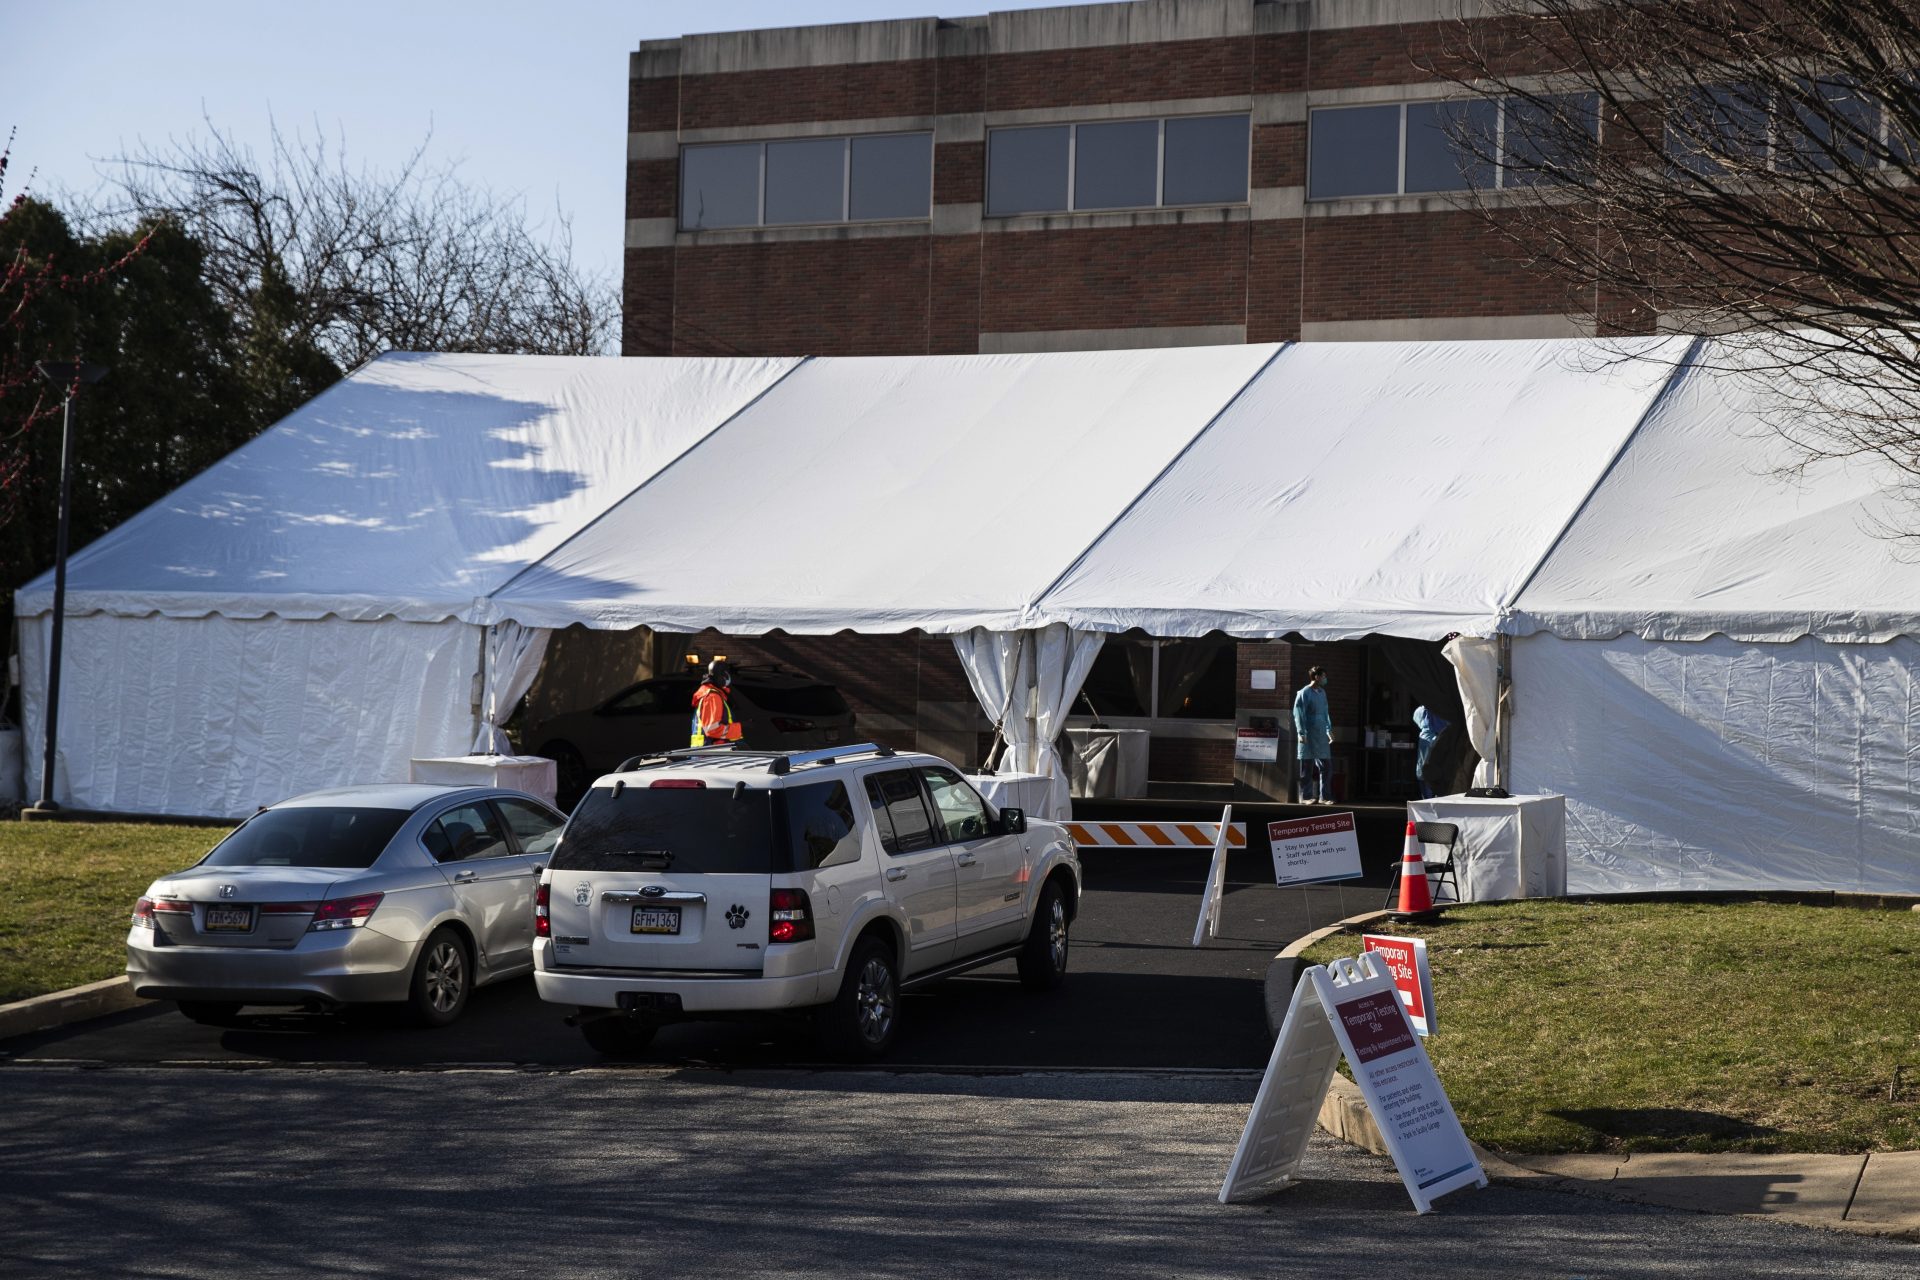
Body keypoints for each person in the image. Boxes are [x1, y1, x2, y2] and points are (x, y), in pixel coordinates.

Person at [1292, 666, 1332, 804]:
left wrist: (1328, 729)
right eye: (1323, 676)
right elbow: (1298, 714)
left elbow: (1325, 712)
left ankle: (1324, 796)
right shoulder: (1304, 693)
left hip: (1320, 733)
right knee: (1307, 766)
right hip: (1308, 732)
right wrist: (1301, 732)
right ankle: (1306, 797)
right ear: (1317, 676)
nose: (1325, 679)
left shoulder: (1322, 692)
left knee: (1326, 765)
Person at [690, 660, 743, 747]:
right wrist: (739, 728)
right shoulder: (712, 697)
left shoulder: (713, 694)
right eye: (726, 674)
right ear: (722, 675)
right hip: (711, 754)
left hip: (708, 753)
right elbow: (712, 729)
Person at [1413, 704, 1450, 798]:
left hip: (1428, 748)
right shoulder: (1444, 711)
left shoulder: (1420, 711)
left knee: (1427, 792)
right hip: (1436, 746)